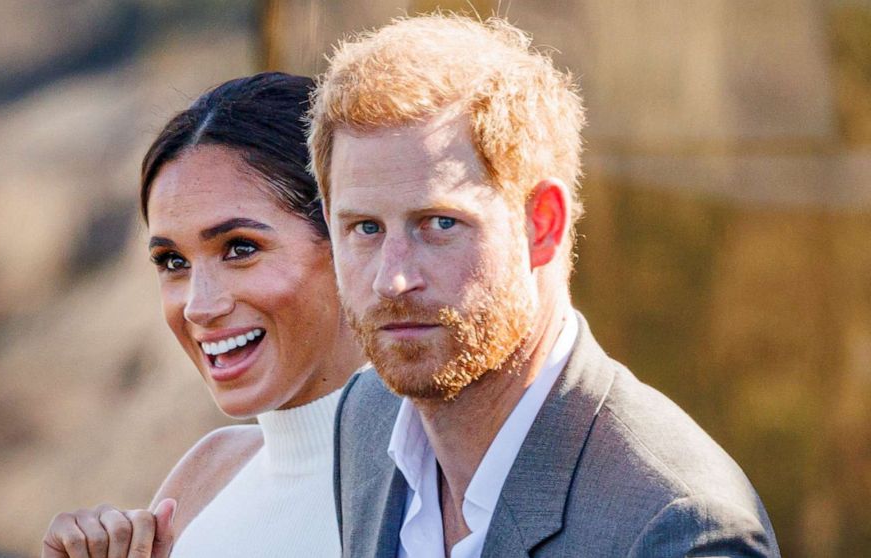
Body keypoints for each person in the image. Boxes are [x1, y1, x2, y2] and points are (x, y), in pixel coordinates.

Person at [308, 14, 781, 557]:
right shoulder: (366, 415)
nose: (393, 278)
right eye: (365, 228)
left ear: (543, 224)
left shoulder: (679, 527)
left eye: (440, 224)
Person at [41, 72, 364, 558]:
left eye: (240, 248)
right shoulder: (207, 475)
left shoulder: (442, 475)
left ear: (348, 239)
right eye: (173, 262)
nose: (198, 305)